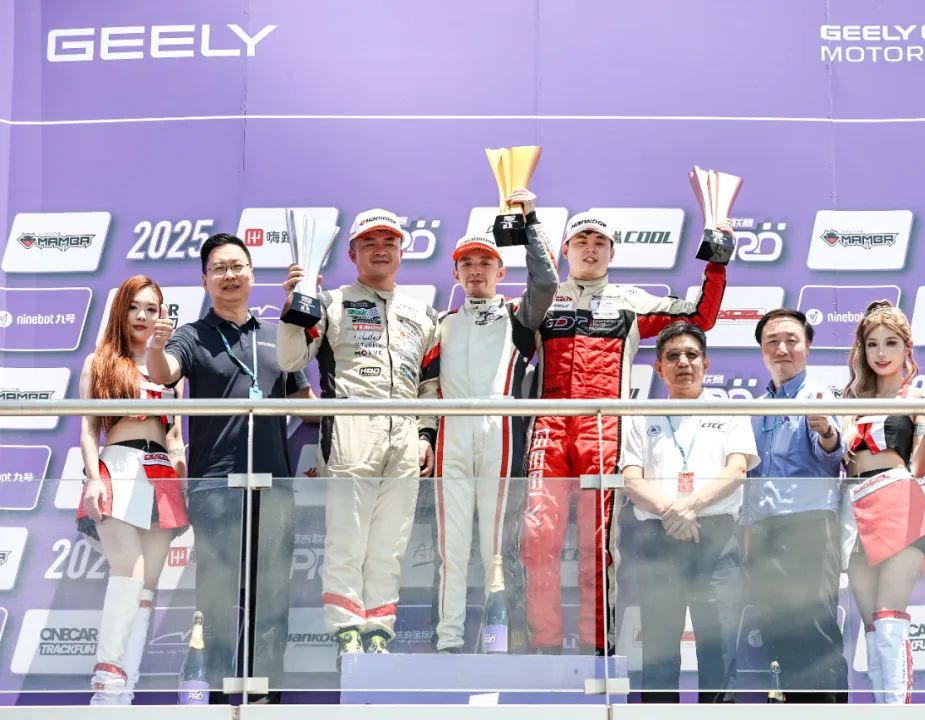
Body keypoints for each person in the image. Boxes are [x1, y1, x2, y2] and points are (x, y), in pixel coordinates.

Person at [522, 211, 731, 655]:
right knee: (537, 537)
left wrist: (717, 261)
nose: (590, 248)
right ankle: (544, 645)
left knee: (597, 542)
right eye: (581, 241)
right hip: (549, 426)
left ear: (612, 252)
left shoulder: (630, 301)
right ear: (565, 250)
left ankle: (598, 645)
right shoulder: (543, 298)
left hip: (605, 428)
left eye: (600, 241)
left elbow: (700, 316)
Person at [148, 234, 313, 702]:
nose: (229, 275)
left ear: (252, 275)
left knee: (273, 598)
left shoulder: (277, 333)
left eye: (237, 266)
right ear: (205, 281)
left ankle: (266, 699)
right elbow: (163, 373)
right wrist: (156, 346)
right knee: (217, 599)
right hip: (215, 487)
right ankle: (218, 700)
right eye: (218, 269)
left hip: (274, 486)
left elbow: (308, 405)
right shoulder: (191, 334)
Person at [277, 208, 439, 659]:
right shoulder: (330, 303)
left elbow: (430, 384)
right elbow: (290, 360)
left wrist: (425, 435)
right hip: (350, 429)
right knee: (347, 538)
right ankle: (347, 629)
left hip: (404, 434)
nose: (380, 249)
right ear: (352, 253)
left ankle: (379, 630)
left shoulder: (423, 314)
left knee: (391, 543)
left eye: (389, 242)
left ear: (402, 252)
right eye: (369, 242)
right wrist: (293, 309)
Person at [431, 189, 558, 653]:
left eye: (485, 262)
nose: (476, 270)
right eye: (467, 263)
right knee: (451, 546)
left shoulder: (517, 316)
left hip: (501, 431)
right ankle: (448, 640)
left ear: (500, 271)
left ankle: (496, 640)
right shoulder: (440, 323)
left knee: (496, 547)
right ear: (455, 273)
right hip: (451, 433)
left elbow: (546, 283)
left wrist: (531, 222)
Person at [621, 322, 757, 703]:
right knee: (659, 654)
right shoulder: (641, 414)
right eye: (673, 356)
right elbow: (631, 479)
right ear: (658, 367)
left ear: (706, 364)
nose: (683, 362)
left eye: (692, 355)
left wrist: (690, 507)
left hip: (715, 538)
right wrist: (673, 512)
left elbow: (737, 470)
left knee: (719, 651)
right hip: (658, 537)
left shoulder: (729, 411)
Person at [78, 275, 188, 705]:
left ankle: (125, 693)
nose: (142, 316)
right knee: (130, 571)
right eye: (134, 307)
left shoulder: (171, 369)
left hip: (162, 474)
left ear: (162, 315)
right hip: (118, 467)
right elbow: (88, 430)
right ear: (120, 311)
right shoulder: (100, 361)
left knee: (147, 587)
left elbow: (176, 437)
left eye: (151, 309)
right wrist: (93, 477)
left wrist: (182, 474)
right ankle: (105, 687)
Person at [839, 300, 925, 704]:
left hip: (897, 502)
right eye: (872, 344)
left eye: (891, 343)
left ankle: (898, 710)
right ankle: (883, 708)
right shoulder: (849, 400)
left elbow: (920, 467)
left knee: (888, 620)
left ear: (907, 348)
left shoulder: (915, 397)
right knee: (871, 629)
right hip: (853, 510)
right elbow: (838, 458)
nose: (881, 353)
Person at [743, 308, 848, 703]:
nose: (782, 349)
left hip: (810, 529)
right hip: (764, 533)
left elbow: (833, 455)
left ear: (808, 346)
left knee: (816, 631)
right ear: (762, 350)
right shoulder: (754, 408)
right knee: (779, 634)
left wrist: (826, 430)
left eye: (792, 340)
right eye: (772, 341)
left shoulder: (819, 396)